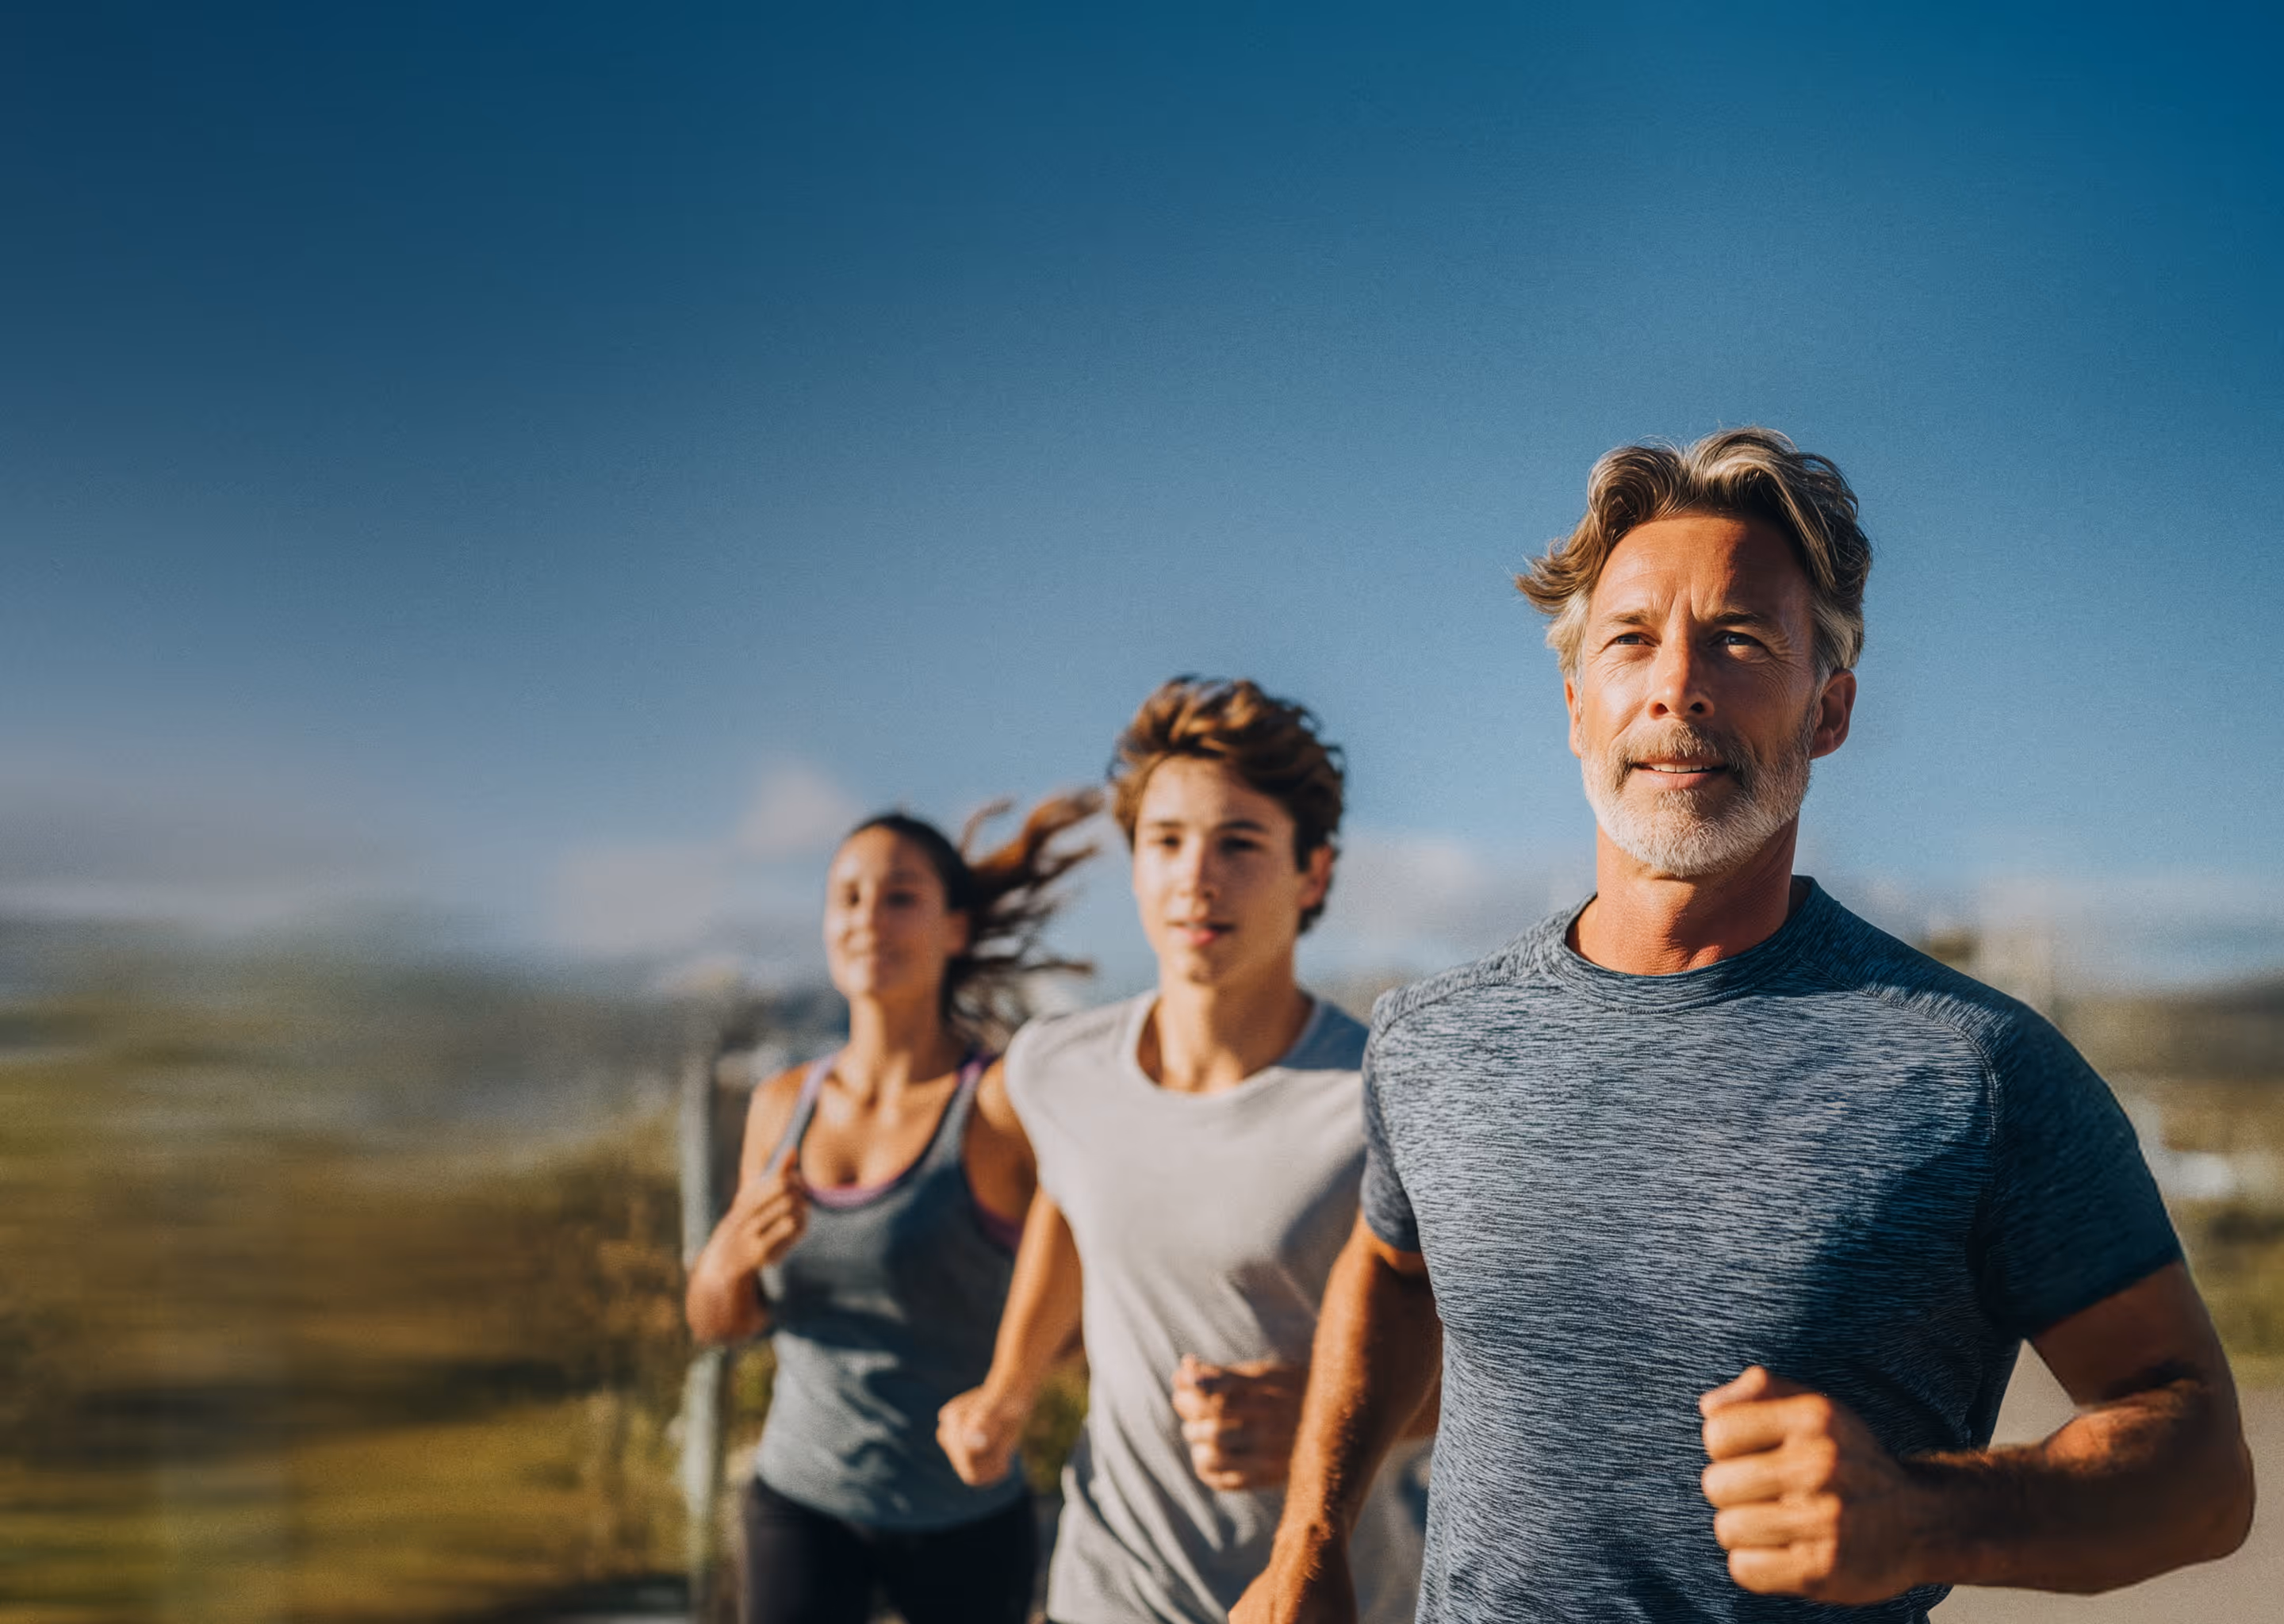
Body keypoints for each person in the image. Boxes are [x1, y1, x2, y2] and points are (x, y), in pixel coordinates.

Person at [1236, 428, 2257, 1624]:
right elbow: (1396, 1275)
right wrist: (1310, 1539)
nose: (1678, 684)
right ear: (1578, 707)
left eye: (1740, 638)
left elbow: (2203, 1474)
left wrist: (1929, 1516)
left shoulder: (1975, 1072)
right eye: (1630, 640)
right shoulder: (1428, 1042)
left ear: (1830, 712)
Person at [936, 678, 1433, 1624]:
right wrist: (1007, 1387)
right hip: (1105, 1588)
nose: (1194, 875)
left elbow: (1481, 1378)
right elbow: (1072, 1200)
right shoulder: (1057, 1068)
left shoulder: (1382, 1096)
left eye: (1239, 843)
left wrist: (1319, 1425)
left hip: (1331, 1599)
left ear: (1312, 874)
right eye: (1164, 840)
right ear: (1134, 867)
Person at [684, 794, 1097, 1624]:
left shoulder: (997, 1109)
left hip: (966, 1516)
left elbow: (1081, 1301)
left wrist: (1010, 1392)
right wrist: (725, 1262)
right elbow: (719, 1320)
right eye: (848, 896)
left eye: (901, 894)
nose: (869, 916)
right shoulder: (780, 1105)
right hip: (799, 1503)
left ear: (955, 928)